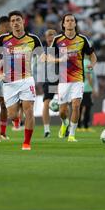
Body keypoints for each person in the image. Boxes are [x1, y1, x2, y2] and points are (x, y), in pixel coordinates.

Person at [0, 11, 43, 150]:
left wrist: (55, 60)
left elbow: (42, 56)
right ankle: (17, 117)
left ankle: (27, 142)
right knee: (12, 115)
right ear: (10, 23)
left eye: (18, 20)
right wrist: (0, 71)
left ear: (23, 22)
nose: (15, 22)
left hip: (27, 80)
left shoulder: (33, 39)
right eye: (13, 20)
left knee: (29, 111)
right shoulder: (3, 39)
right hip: (9, 82)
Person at [50, 14, 97, 142]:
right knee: (62, 112)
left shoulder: (82, 39)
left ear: (75, 24)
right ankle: (64, 123)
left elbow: (93, 56)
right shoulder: (57, 40)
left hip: (78, 79)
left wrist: (92, 65)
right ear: (63, 24)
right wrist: (58, 59)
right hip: (63, 80)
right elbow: (48, 57)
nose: (70, 22)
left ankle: (72, 135)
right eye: (67, 21)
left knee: (76, 106)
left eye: (72, 20)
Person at [41, 29, 58, 138]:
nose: (50, 38)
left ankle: (66, 125)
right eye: (48, 36)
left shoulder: (62, 49)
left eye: (52, 35)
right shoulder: (45, 50)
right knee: (46, 102)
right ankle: (47, 130)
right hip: (50, 81)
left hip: (62, 80)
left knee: (65, 103)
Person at [78, 58, 97, 132]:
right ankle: (85, 126)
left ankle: (78, 126)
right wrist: (93, 89)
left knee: (80, 108)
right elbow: (88, 76)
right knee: (87, 108)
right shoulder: (87, 62)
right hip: (87, 89)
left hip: (80, 88)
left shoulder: (81, 61)